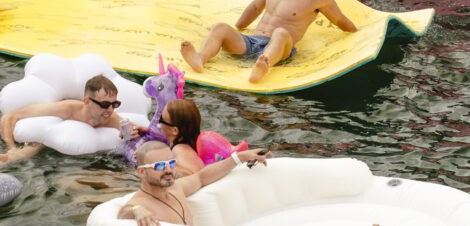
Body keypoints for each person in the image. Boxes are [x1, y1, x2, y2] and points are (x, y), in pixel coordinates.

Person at [182, 0, 357, 81]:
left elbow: (339, 19)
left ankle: (264, 66)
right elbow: (256, 7)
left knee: (280, 33)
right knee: (220, 28)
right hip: (253, 42)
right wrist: (235, 29)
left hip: (281, 50)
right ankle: (200, 59)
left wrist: (358, 33)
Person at [117, 140, 270, 224]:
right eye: (159, 166)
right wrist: (136, 210)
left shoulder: (176, 188)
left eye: (171, 163)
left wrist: (240, 157)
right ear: (141, 172)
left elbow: (201, 177)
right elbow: (124, 212)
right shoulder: (141, 202)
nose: (168, 170)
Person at [0, 75, 141, 164]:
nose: (110, 109)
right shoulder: (66, 109)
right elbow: (10, 116)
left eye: (115, 104)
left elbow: (140, 136)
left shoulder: (112, 119)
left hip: (82, 163)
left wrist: (129, 135)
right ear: (86, 101)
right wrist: (11, 147)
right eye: (104, 104)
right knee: (36, 145)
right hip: (52, 157)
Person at [158, 99, 204, 177]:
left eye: (161, 119)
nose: (159, 122)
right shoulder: (191, 145)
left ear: (174, 131)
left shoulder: (179, 151)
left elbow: (192, 175)